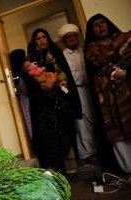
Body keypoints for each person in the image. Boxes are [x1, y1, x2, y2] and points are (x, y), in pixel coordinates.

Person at [23, 28, 82, 173]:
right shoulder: (31, 60)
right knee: (49, 135)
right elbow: (32, 82)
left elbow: (65, 75)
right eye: (38, 38)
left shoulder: (55, 54)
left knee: (64, 130)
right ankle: (56, 168)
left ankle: (71, 167)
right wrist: (44, 84)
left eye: (44, 37)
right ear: (34, 42)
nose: (42, 40)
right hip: (43, 104)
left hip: (59, 99)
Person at [84, 13, 131, 173]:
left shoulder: (123, 38)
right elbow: (97, 60)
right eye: (96, 25)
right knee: (116, 132)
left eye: (102, 22)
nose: (101, 26)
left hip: (127, 91)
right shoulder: (91, 48)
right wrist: (117, 43)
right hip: (107, 97)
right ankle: (128, 168)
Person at [58, 24, 99, 167]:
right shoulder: (63, 55)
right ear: (64, 40)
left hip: (90, 90)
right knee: (82, 124)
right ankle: (87, 155)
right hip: (77, 92)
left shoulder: (84, 51)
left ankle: (96, 151)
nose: (71, 39)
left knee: (93, 120)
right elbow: (68, 77)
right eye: (68, 37)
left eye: (73, 36)